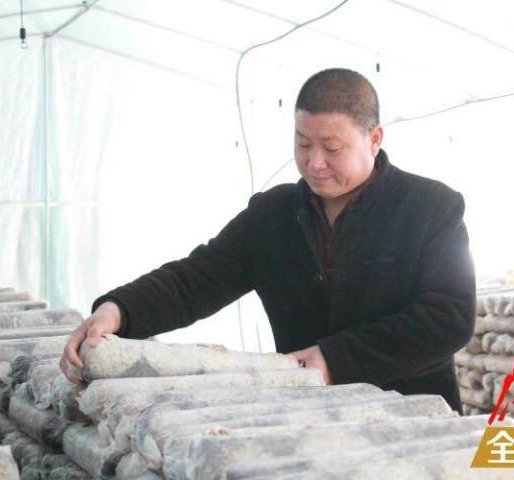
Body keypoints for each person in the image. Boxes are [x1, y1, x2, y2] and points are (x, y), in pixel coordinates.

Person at [60, 68, 476, 414]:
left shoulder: (431, 208)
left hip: (414, 417)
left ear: (374, 138)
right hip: (309, 417)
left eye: (332, 148)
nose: (314, 162)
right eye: (303, 144)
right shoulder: (273, 215)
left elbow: (449, 316)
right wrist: (119, 310)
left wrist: (336, 359)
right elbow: (197, 279)